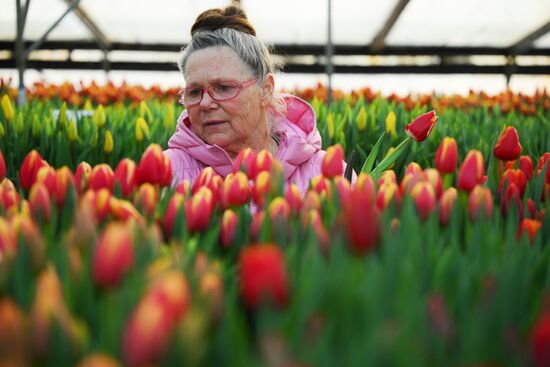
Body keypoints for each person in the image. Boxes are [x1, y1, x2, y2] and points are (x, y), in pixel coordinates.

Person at [164, 5, 352, 194]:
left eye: (223, 88)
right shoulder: (168, 172)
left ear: (266, 90)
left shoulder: (327, 174)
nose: (205, 103)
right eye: (194, 92)